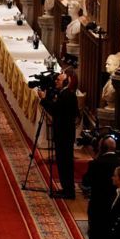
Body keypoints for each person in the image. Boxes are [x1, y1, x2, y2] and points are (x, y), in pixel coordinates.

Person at [38, 66, 79, 199]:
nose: (56, 81)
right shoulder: (66, 94)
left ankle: (68, 191)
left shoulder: (67, 95)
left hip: (64, 134)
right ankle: (66, 188)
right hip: (65, 133)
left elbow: (55, 111)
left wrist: (44, 100)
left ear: (67, 81)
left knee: (64, 163)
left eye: (59, 80)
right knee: (63, 162)